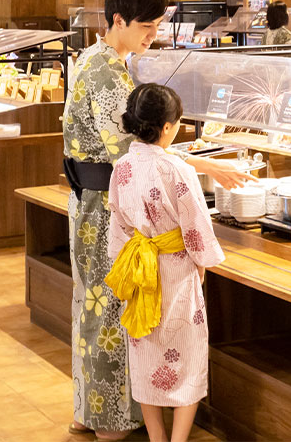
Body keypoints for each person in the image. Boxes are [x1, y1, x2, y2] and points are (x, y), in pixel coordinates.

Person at [63, 0, 253, 441]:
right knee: (111, 309)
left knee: (92, 307)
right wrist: (206, 168)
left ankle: (89, 411)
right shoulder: (107, 71)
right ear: (117, 20)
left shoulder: (94, 57)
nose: (153, 35)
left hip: (93, 200)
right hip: (107, 208)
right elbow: (133, 149)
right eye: (146, 26)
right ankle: (108, 420)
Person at [106, 83, 224, 442]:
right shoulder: (178, 169)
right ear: (168, 127)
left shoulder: (122, 166)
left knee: (145, 353)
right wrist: (203, 263)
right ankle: (178, 440)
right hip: (175, 270)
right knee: (186, 357)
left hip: (140, 270)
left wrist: (129, 260)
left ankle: (157, 437)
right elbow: (196, 226)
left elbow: (118, 227)